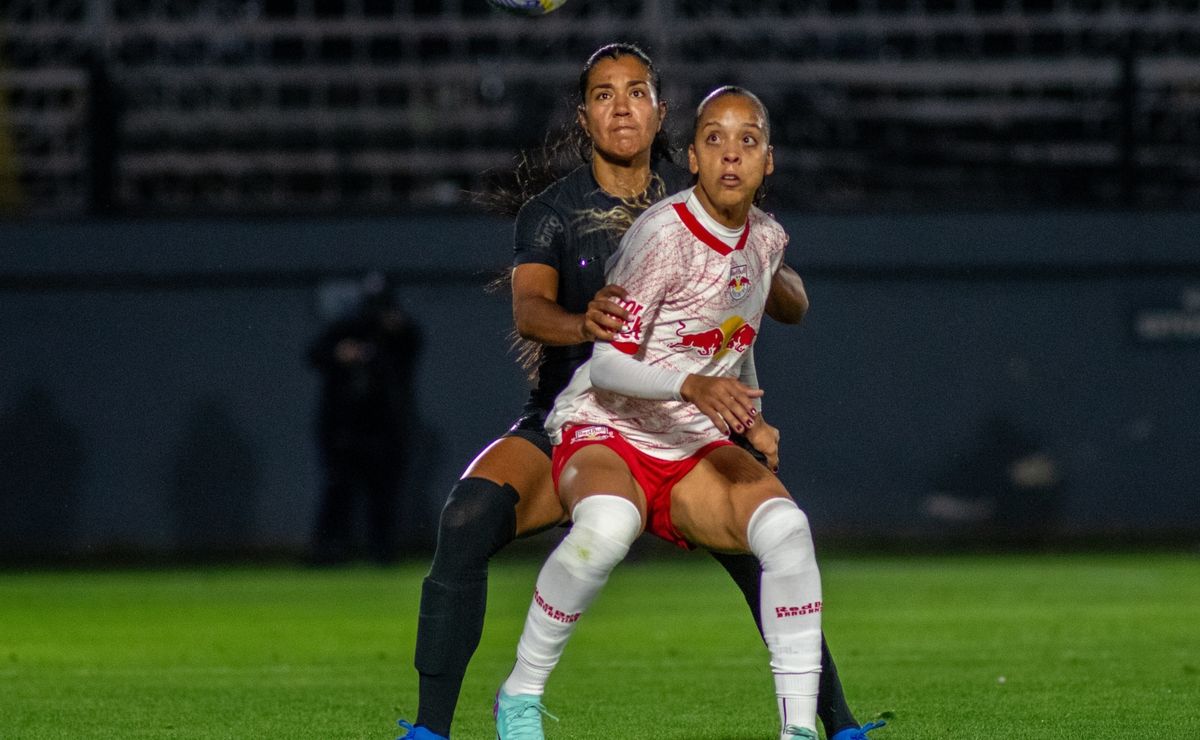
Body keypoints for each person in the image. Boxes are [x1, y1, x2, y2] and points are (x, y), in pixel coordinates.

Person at [398, 44, 876, 740]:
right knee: (469, 517)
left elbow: (759, 298)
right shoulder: (557, 212)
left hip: (684, 417)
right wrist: (581, 323)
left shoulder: (712, 185)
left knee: (769, 541)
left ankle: (833, 723)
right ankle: (432, 729)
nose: (621, 106)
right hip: (580, 407)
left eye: (637, 93)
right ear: (584, 115)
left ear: (662, 114)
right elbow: (530, 312)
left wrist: (762, 272)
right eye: (603, 94)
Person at [307, 272, 422, 566]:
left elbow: (412, 346)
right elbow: (314, 355)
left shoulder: (398, 335)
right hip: (344, 427)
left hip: (383, 427)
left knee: (383, 494)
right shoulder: (346, 329)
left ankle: (382, 552)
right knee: (339, 490)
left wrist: (391, 337)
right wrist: (340, 353)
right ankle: (330, 550)